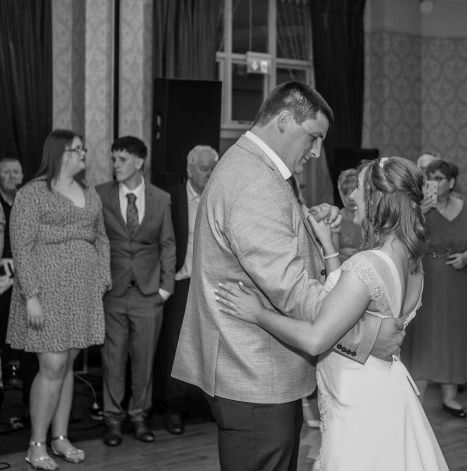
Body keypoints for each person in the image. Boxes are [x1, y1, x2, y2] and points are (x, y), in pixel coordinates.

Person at [171, 82, 407, 471]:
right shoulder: (255, 184)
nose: (316, 152)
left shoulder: (253, 168)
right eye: (313, 137)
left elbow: (269, 246)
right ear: (284, 120)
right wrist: (367, 335)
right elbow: (294, 291)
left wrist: (308, 226)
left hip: (256, 369)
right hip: (254, 374)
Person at [215, 156, 449, 471]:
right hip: (384, 389)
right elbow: (346, 301)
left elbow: (316, 338)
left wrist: (258, 314)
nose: (352, 196)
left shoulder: (367, 264)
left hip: (357, 399)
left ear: (377, 199)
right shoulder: (413, 264)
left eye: (360, 188)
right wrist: (328, 246)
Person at [6, 129, 111, 470]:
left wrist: (102, 276)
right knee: (51, 367)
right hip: (45, 292)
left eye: (83, 148)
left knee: (66, 367)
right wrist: (31, 297)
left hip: (82, 293)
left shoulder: (89, 191)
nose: (84, 154)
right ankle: (36, 444)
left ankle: (60, 437)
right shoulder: (32, 193)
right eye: (77, 149)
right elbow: (21, 247)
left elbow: (102, 239)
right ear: (59, 153)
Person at [97, 136, 176, 446]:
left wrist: (166, 289)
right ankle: (113, 420)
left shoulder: (161, 198)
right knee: (112, 360)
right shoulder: (100, 194)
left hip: (148, 294)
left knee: (144, 360)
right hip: (112, 292)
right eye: (113, 159)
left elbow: (167, 244)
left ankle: (139, 416)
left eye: (122, 160)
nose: (115, 165)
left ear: (139, 162)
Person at [402, 159, 467, 418]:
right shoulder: (417, 207)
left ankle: (450, 398)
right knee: (426, 336)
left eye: (438, 178)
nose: (433, 183)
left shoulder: (466, 210)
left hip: (458, 283)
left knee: (454, 336)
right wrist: (420, 212)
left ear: (451, 182)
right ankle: (416, 399)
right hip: (426, 280)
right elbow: (403, 237)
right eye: (429, 178)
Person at [156, 145, 218, 434]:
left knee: (213, 346)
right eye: (204, 169)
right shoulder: (172, 199)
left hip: (214, 283)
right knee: (176, 347)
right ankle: (174, 408)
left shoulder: (220, 197)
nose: (209, 174)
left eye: (213, 168)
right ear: (189, 170)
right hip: (182, 282)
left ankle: (211, 405)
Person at [0, 156, 38, 424]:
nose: (12, 176)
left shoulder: (30, 203)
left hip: (27, 279)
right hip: (2, 280)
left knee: (30, 341)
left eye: (16, 171)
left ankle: (31, 401)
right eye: (6, 172)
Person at [335, 168, 362, 262]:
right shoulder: (335, 218)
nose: (350, 197)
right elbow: (331, 254)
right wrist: (339, 253)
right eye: (345, 192)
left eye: (354, 191)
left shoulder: (371, 217)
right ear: (340, 193)